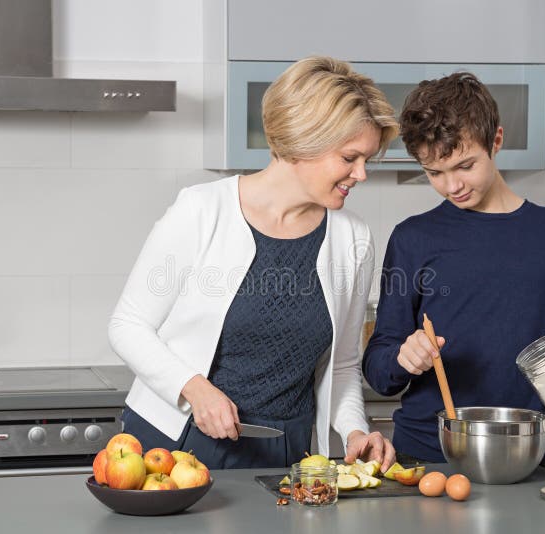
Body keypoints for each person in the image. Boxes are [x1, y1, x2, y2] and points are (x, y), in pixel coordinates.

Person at [109, 56, 400, 471]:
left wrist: (354, 430)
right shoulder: (202, 210)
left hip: (287, 450)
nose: (362, 174)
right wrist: (193, 388)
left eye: (367, 160)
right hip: (176, 441)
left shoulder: (352, 239)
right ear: (304, 143)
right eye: (350, 157)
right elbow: (128, 325)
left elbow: (343, 366)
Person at [362, 72, 545, 467]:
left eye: (464, 165)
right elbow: (378, 366)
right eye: (434, 173)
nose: (452, 186)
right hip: (424, 457)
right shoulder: (412, 239)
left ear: (497, 141)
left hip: (523, 455)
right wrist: (403, 357)